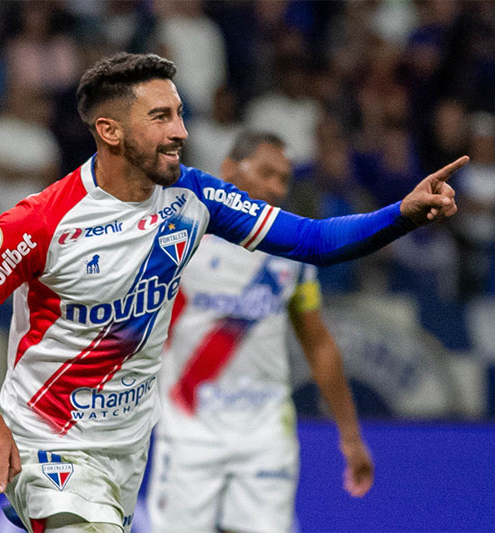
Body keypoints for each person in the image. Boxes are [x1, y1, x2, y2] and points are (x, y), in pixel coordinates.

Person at [0, 52, 467, 532]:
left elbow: (313, 241)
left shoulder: (193, 198)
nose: (181, 130)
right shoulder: (40, 222)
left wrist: (402, 214)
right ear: (110, 131)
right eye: (161, 117)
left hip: (128, 448)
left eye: (179, 113)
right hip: (46, 442)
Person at [146, 131, 373, 533]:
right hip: (188, 437)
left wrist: (350, 437)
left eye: (283, 179)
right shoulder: (178, 237)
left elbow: (318, 343)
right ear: (228, 170)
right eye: (266, 172)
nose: (275, 187)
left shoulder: (291, 255)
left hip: (266, 439)